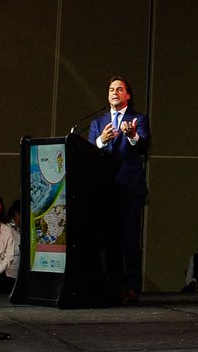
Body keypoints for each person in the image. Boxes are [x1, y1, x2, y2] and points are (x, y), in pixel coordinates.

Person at [87, 76, 150, 304]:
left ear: (127, 95)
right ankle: (112, 287)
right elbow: (90, 152)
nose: (115, 92)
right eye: (111, 89)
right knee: (109, 240)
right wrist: (101, 141)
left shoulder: (138, 119)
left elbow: (143, 145)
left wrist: (132, 135)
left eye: (120, 89)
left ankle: (132, 287)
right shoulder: (97, 123)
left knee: (130, 240)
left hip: (129, 189)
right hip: (105, 190)